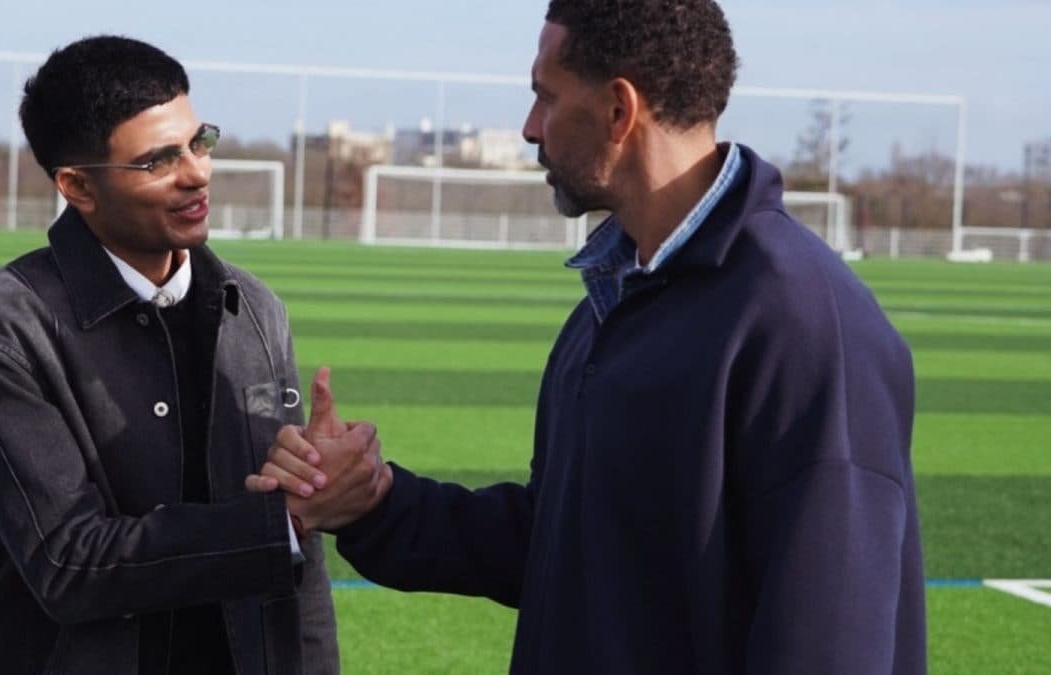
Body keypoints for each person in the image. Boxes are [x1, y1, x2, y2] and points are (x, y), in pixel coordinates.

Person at [248, 1, 927, 673]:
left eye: (546, 97)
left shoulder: (804, 326)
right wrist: (374, 501)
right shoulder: (617, 295)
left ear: (618, 110)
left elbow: (830, 639)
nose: (529, 127)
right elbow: (566, 544)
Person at [0, 35, 349, 675]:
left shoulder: (255, 310)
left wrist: (306, 503)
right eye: (158, 160)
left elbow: (303, 564)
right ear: (77, 185)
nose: (197, 173)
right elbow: (70, 564)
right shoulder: (2, 328)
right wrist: (277, 527)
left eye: (198, 142)